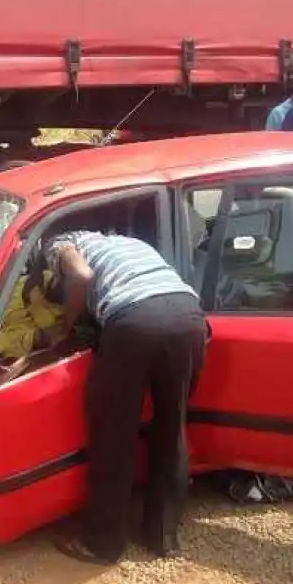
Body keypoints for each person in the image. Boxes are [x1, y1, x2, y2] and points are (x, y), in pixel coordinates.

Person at [39, 230, 208, 564]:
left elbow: (81, 276)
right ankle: (162, 534)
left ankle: (102, 542)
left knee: (113, 436)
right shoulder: (134, 243)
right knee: (172, 426)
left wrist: (65, 327)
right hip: (190, 317)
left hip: (134, 322)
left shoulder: (61, 244)